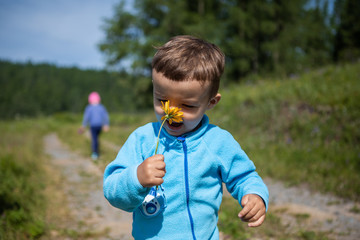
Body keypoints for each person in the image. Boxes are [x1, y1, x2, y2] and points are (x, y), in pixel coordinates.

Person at [103, 35, 269, 239]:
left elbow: (244, 176)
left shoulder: (217, 142)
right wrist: (136, 178)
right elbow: (112, 190)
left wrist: (254, 195)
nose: (172, 111)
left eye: (188, 105)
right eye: (162, 100)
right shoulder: (143, 140)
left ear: (211, 102)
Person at [79, 91, 109, 160]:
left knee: (94, 139)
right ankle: (97, 151)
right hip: (99, 126)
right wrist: (106, 124)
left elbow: (86, 117)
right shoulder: (101, 107)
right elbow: (105, 116)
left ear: (90, 100)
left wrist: (83, 126)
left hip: (93, 126)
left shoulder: (89, 108)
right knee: (97, 138)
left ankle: (95, 153)